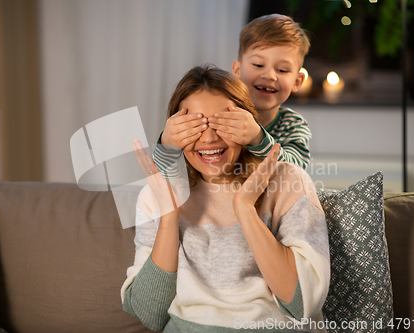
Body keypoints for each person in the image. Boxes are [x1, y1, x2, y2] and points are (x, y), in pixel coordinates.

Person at [121, 65, 329, 332]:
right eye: (194, 126)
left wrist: (244, 209)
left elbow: (302, 305)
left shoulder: (289, 181)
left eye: (222, 124)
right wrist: (169, 217)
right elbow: (150, 314)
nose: (208, 138)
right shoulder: (158, 193)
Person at [153, 14, 312, 175]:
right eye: (258, 64)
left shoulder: (293, 125)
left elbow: (296, 173)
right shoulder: (218, 109)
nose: (270, 75)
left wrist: (257, 138)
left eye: (282, 70)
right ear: (237, 70)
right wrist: (167, 143)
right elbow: (161, 175)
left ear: (297, 82)